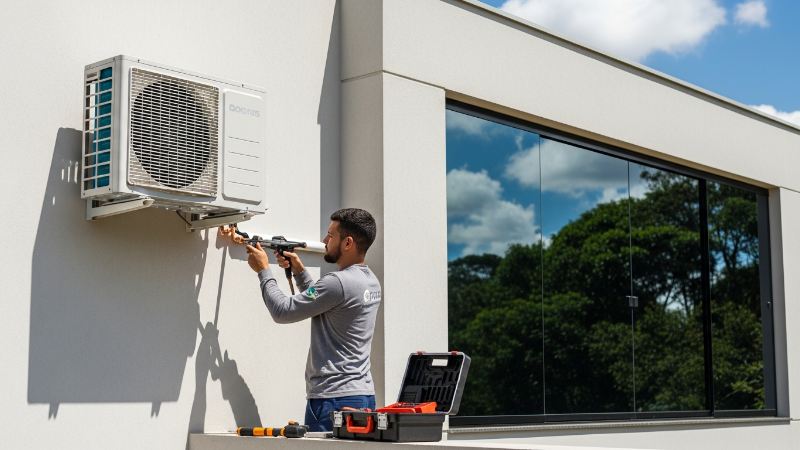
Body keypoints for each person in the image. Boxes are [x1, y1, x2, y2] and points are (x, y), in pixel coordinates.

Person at [246, 208, 382, 432]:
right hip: (363, 396)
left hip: (333, 400)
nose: (324, 240)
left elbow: (282, 311)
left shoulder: (337, 282)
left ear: (347, 243)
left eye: (330, 235)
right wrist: (300, 273)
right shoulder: (370, 281)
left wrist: (263, 270)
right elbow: (326, 302)